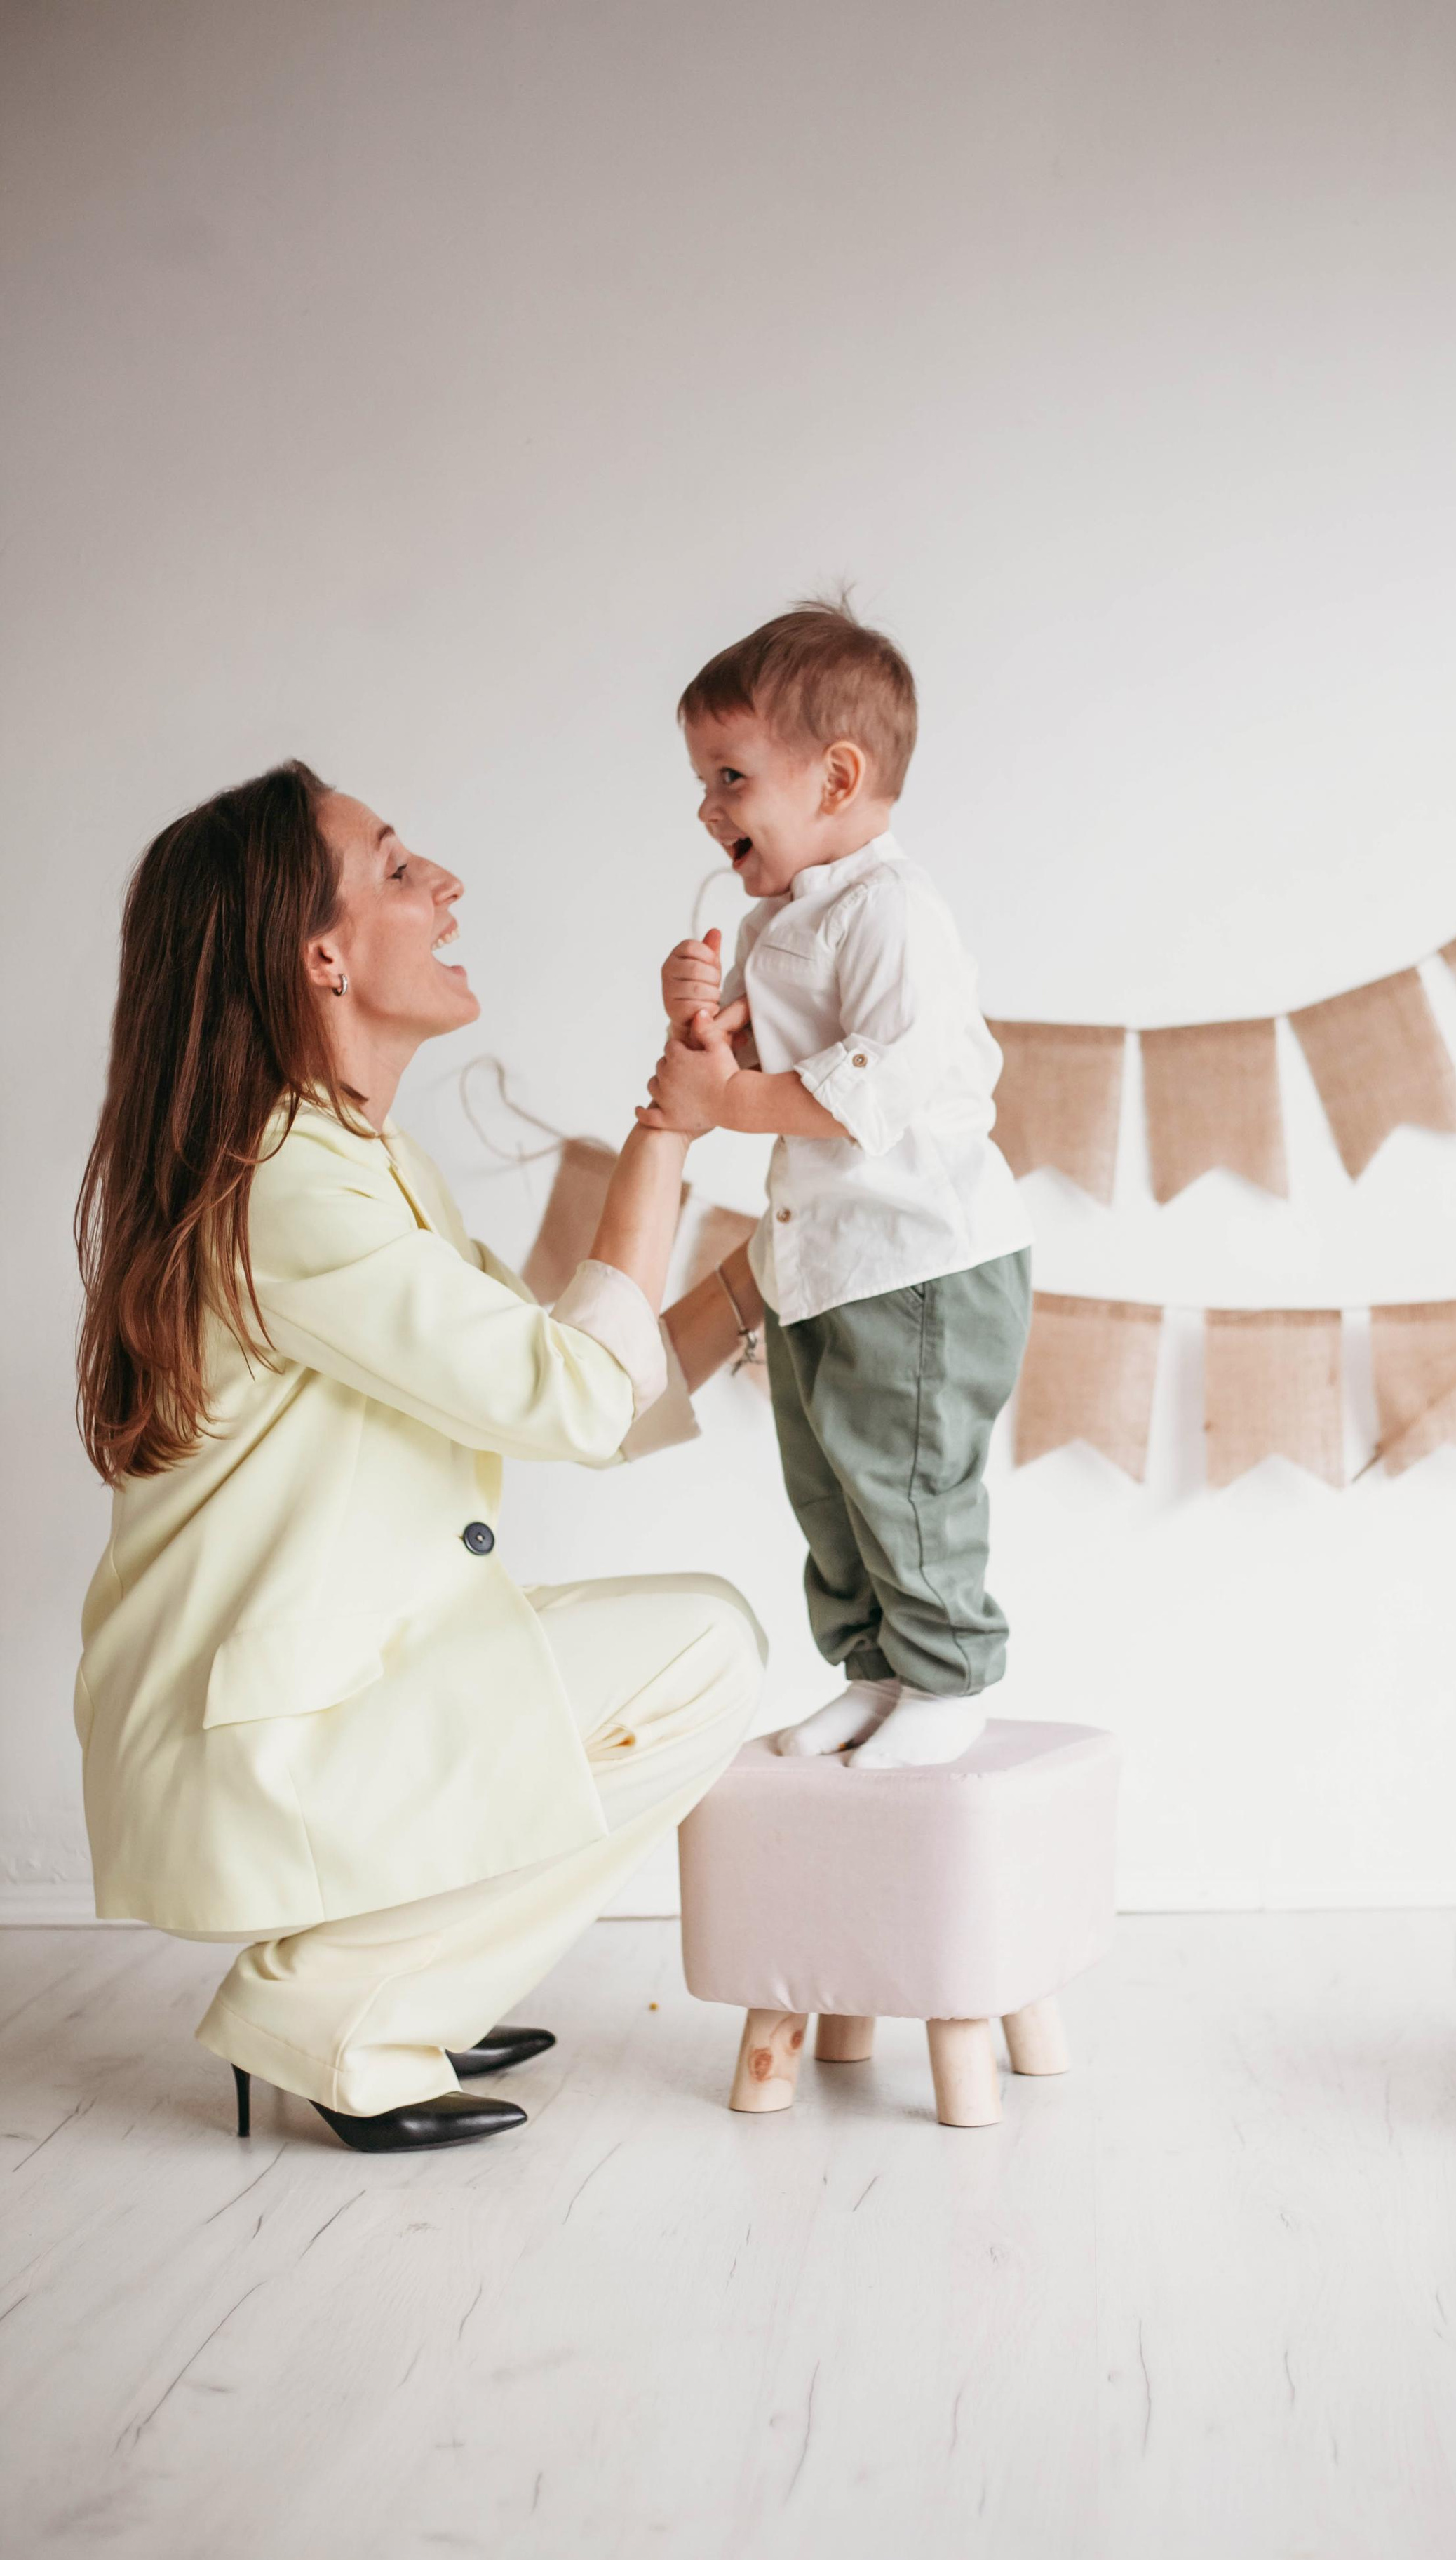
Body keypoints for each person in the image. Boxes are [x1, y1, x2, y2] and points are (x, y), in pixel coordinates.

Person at [74, 761, 766, 2154]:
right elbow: (573, 1395)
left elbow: (576, 1391)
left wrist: (770, 1284)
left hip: (326, 1694)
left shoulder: (358, 1161)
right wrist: (666, 1125)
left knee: (688, 1644)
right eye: (396, 869)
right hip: (262, 1730)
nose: (443, 885)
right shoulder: (293, 1184)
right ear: (315, 955)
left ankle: (399, 1981)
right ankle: (342, 2006)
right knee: (703, 1654)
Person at [642, 598, 1032, 1771]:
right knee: (830, 1481)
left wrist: (718, 1102)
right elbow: (757, 1064)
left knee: (903, 1476)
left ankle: (950, 1672)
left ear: (834, 777)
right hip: (828, 1262)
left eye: (728, 779)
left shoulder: (891, 914)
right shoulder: (786, 920)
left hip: (919, 1260)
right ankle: (875, 1670)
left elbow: (865, 1093)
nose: (708, 811)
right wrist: (700, 1025)